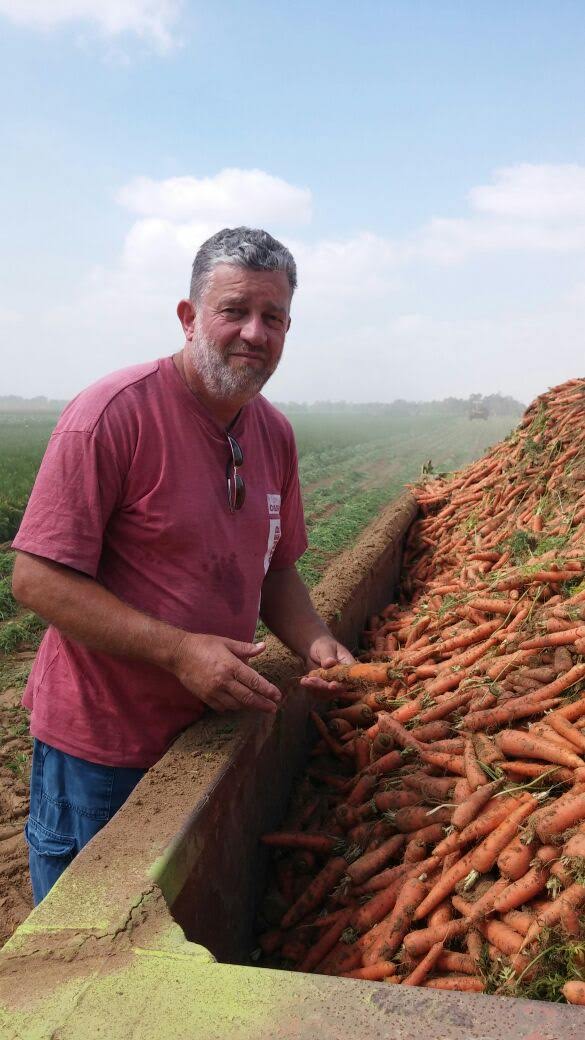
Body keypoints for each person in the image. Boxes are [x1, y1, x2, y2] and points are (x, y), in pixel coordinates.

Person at [12, 226, 354, 905]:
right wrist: (177, 652)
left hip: (205, 732)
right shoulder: (111, 415)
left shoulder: (273, 433)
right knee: (96, 944)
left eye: (274, 318)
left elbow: (276, 571)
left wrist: (317, 643)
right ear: (189, 317)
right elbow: (36, 579)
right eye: (235, 310)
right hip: (102, 750)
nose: (255, 333)